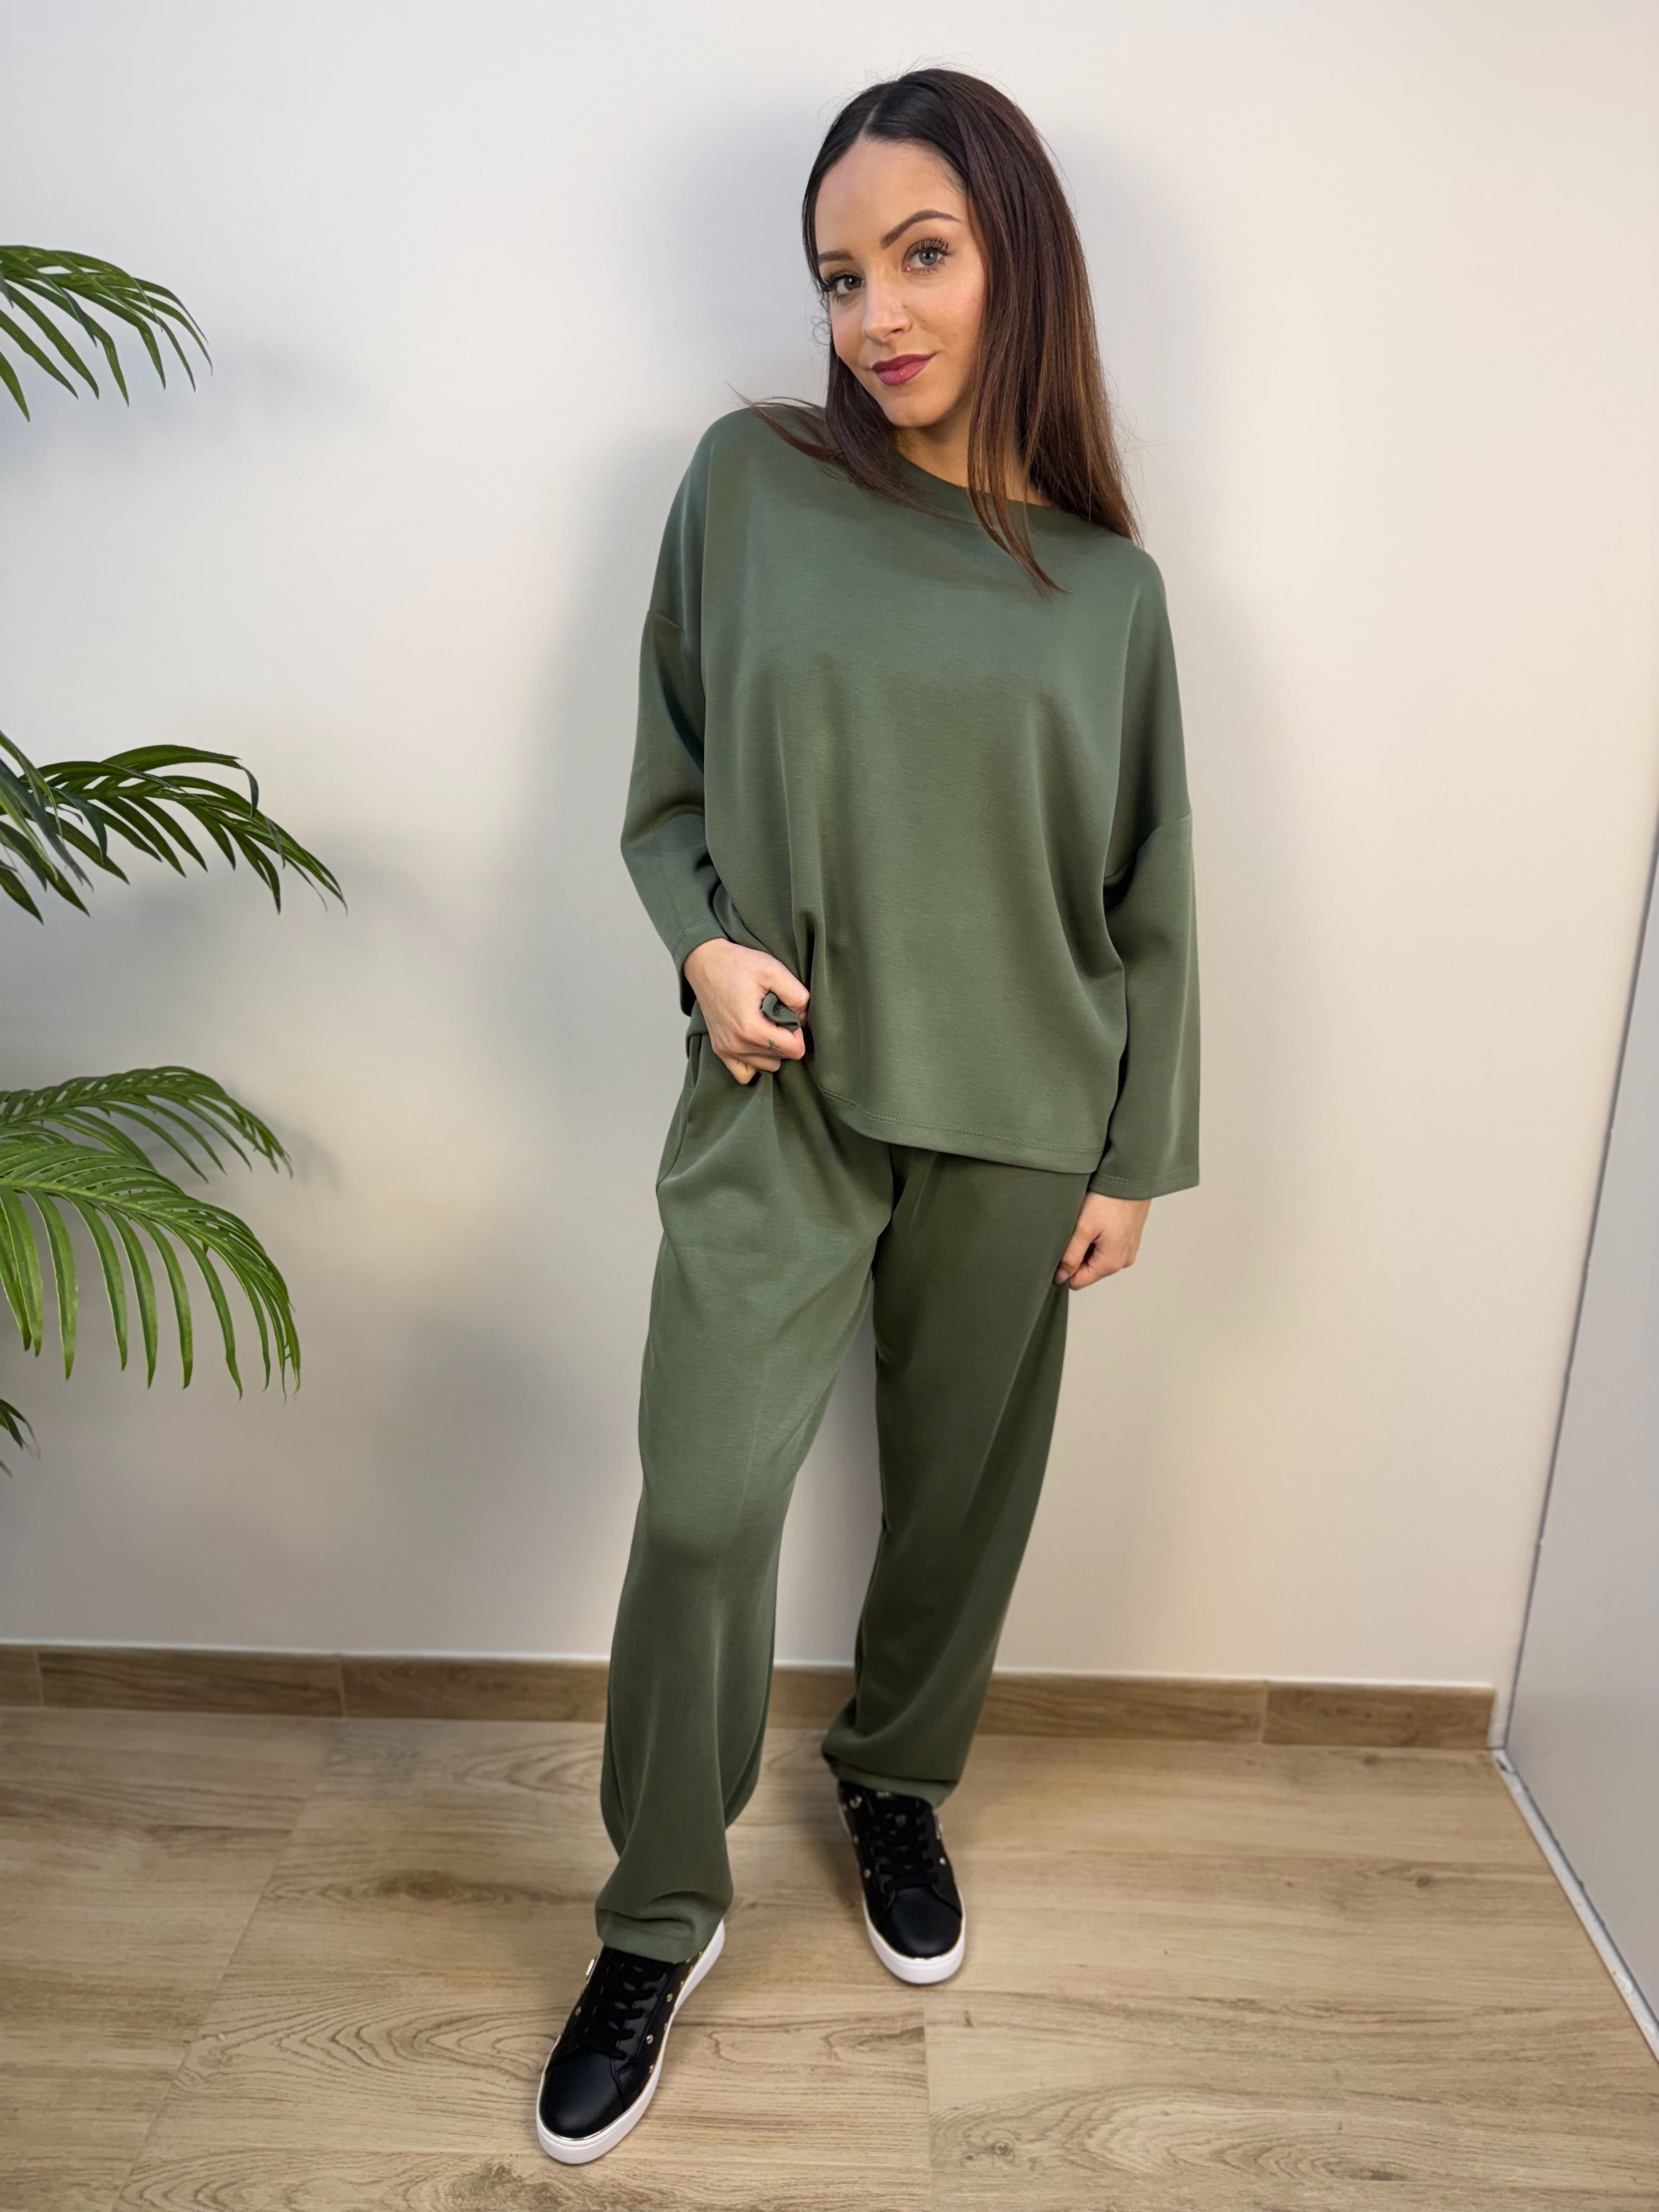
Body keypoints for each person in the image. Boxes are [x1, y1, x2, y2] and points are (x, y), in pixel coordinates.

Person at [535, 66, 1200, 2166]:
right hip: (784, 1087)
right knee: (704, 1509)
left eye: (921, 256)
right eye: (840, 276)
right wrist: (700, 950)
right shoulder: (746, 484)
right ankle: (657, 1914)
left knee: (959, 1508)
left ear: (1020, 258)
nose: (876, 315)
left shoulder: (1109, 591)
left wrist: (1133, 1157)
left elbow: (1152, 900)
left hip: (1023, 1114)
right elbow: (664, 785)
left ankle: (894, 1781)